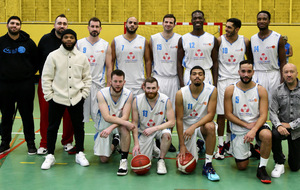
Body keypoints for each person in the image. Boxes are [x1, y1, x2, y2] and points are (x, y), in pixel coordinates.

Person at [41, 29, 92, 170]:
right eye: (66, 37)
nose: (69, 39)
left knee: (78, 127)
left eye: (71, 37)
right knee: (52, 128)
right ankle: (50, 155)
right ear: (62, 39)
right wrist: (49, 96)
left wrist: (84, 94)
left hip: (76, 98)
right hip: (57, 98)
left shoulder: (82, 57)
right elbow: (46, 77)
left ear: (75, 40)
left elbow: (87, 78)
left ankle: (80, 153)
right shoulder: (53, 56)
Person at [224, 60, 272, 184]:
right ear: (239, 72)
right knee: (242, 167)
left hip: (257, 125)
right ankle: (251, 150)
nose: (246, 74)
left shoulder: (260, 90)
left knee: (267, 135)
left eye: (249, 71)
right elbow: (228, 114)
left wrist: (254, 129)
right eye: (243, 71)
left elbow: (263, 115)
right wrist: (246, 125)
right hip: (240, 126)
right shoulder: (230, 89)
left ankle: (261, 168)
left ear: (253, 73)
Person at [0, 16, 38, 155]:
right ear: (7, 25)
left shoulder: (28, 43)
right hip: (5, 86)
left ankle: (31, 143)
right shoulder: (1, 42)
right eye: (12, 23)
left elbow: (36, 61)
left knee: (27, 115)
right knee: (6, 115)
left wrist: (26, 75)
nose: (14, 26)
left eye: (17, 24)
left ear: (20, 26)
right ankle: (5, 143)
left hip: (25, 85)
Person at [37, 14, 74, 155]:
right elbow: (37, 59)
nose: (62, 26)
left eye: (64, 23)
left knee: (68, 114)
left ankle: (67, 141)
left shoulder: (70, 41)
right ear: (54, 25)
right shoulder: (45, 40)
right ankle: (44, 143)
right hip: (47, 83)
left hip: (67, 84)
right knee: (46, 114)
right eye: (59, 23)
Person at [176, 66, 220, 181]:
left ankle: (208, 164)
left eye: (200, 74)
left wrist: (194, 127)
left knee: (211, 127)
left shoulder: (212, 90)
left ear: (204, 77)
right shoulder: (181, 93)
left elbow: (211, 115)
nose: (197, 76)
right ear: (190, 77)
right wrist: (182, 145)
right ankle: (199, 145)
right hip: (186, 126)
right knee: (188, 166)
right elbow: (179, 119)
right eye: (194, 74)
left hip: (202, 125)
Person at [215, 18, 251, 160]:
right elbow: (215, 61)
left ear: (237, 29)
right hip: (223, 80)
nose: (226, 29)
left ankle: (229, 143)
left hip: (239, 81)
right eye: (226, 26)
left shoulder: (245, 41)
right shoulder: (219, 41)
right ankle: (220, 145)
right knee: (221, 114)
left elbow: (250, 61)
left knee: (235, 114)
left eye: (229, 27)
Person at [150, 14, 181, 152]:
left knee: (172, 112)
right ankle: (156, 138)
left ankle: (168, 138)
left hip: (173, 78)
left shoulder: (180, 39)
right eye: (166, 22)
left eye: (171, 22)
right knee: (158, 111)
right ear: (162, 23)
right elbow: (149, 59)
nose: (168, 24)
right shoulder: (154, 38)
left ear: (175, 24)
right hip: (159, 77)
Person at [132, 77, 175, 174]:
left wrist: (154, 128)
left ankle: (161, 160)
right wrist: (136, 144)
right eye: (148, 88)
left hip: (159, 129)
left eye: (153, 88)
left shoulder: (165, 100)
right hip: (144, 132)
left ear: (158, 88)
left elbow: (172, 122)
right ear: (143, 87)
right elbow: (134, 123)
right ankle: (153, 147)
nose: (150, 91)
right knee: (140, 163)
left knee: (167, 135)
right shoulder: (137, 100)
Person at [95, 69, 134, 176]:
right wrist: (110, 128)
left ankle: (123, 161)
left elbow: (125, 116)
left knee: (124, 127)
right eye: (115, 81)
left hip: (119, 124)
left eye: (120, 81)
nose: (118, 84)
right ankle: (115, 141)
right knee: (104, 159)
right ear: (110, 81)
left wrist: (112, 127)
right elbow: (106, 117)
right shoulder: (101, 93)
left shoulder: (129, 94)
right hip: (104, 125)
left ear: (124, 82)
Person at [77, 17, 112, 129]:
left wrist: (108, 84)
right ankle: (79, 145)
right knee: (79, 118)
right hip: (82, 86)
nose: (94, 29)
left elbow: (109, 66)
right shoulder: (79, 44)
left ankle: (102, 144)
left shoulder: (105, 45)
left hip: (99, 85)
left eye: (97, 26)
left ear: (100, 29)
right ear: (88, 27)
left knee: (100, 116)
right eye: (92, 26)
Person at [269, 63, 300, 178]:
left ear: (297, 73)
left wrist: (291, 125)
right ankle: (279, 162)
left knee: (295, 167)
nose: (289, 74)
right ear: (282, 74)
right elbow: (272, 111)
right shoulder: (277, 90)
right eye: (286, 72)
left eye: (292, 72)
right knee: (273, 134)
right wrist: (279, 126)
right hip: (282, 128)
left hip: (297, 131)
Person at [250, 10, 286, 104]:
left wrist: (282, 80)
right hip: (257, 74)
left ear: (269, 21)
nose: (261, 21)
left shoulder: (278, 37)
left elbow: (283, 62)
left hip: (273, 74)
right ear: (256, 21)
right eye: (259, 19)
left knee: (275, 106)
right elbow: (250, 60)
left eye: (264, 19)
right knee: (257, 105)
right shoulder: (252, 39)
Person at [111, 16, 151, 96]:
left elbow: (148, 61)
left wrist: (148, 79)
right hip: (121, 83)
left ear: (137, 26)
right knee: (122, 108)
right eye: (130, 22)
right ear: (126, 24)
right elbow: (111, 61)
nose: (132, 25)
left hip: (139, 83)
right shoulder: (116, 41)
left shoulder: (143, 41)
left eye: (135, 23)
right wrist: (112, 80)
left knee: (138, 108)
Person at [177, 10, 218, 87]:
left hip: (207, 74)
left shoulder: (212, 39)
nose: (197, 20)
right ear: (191, 21)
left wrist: (215, 83)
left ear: (204, 20)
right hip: (189, 74)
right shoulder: (183, 39)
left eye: (200, 18)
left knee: (207, 99)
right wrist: (181, 82)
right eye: (195, 18)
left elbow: (215, 62)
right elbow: (179, 62)